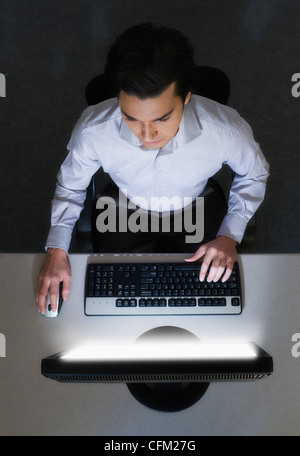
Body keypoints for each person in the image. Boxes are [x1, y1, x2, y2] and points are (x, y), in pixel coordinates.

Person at [35, 23, 269, 314]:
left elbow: (254, 173)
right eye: (131, 118)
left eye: (161, 119)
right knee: (115, 300)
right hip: (123, 207)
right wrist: (57, 250)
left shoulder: (226, 130)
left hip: (196, 204)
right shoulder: (94, 130)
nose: (146, 136)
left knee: (210, 301)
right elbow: (71, 185)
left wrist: (229, 235)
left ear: (185, 97)